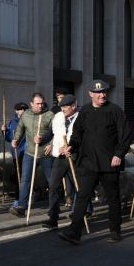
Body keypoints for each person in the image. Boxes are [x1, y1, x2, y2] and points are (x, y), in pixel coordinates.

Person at [58, 80, 131, 244]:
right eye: (98, 92)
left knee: (112, 197)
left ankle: (114, 230)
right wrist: (71, 147)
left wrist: (119, 154)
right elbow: (77, 134)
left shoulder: (115, 110)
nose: (102, 95)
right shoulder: (85, 112)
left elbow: (125, 135)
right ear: (91, 93)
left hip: (109, 162)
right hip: (88, 162)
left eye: (104, 92)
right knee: (82, 196)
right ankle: (74, 232)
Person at [42, 94, 90, 229]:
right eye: (61, 107)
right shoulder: (58, 118)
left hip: (75, 158)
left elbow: (86, 139)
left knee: (78, 187)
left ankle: (80, 215)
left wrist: (72, 148)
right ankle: (53, 217)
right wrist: (42, 140)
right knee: (53, 186)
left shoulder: (83, 118)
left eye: (65, 107)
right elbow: (51, 134)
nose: (63, 109)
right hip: (60, 157)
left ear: (74, 106)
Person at [10, 93, 55, 217]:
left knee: (52, 181)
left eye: (42, 103)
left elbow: (56, 132)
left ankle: (54, 207)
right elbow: (20, 129)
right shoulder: (26, 115)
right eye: (38, 104)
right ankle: (22, 206)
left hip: (46, 154)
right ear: (31, 103)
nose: (41, 106)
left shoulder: (49, 115)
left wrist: (50, 144)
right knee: (25, 180)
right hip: (30, 153)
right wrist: (16, 139)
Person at [2, 102, 29, 206]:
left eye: (24, 110)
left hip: (27, 152)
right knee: (19, 175)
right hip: (16, 153)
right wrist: (4, 132)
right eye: (20, 110)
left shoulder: (29, 121)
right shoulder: (12, 122)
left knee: (24, 176)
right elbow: (9, 138)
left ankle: (21, 198)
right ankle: (20, 197)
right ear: (16, 111)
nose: (22, 111)